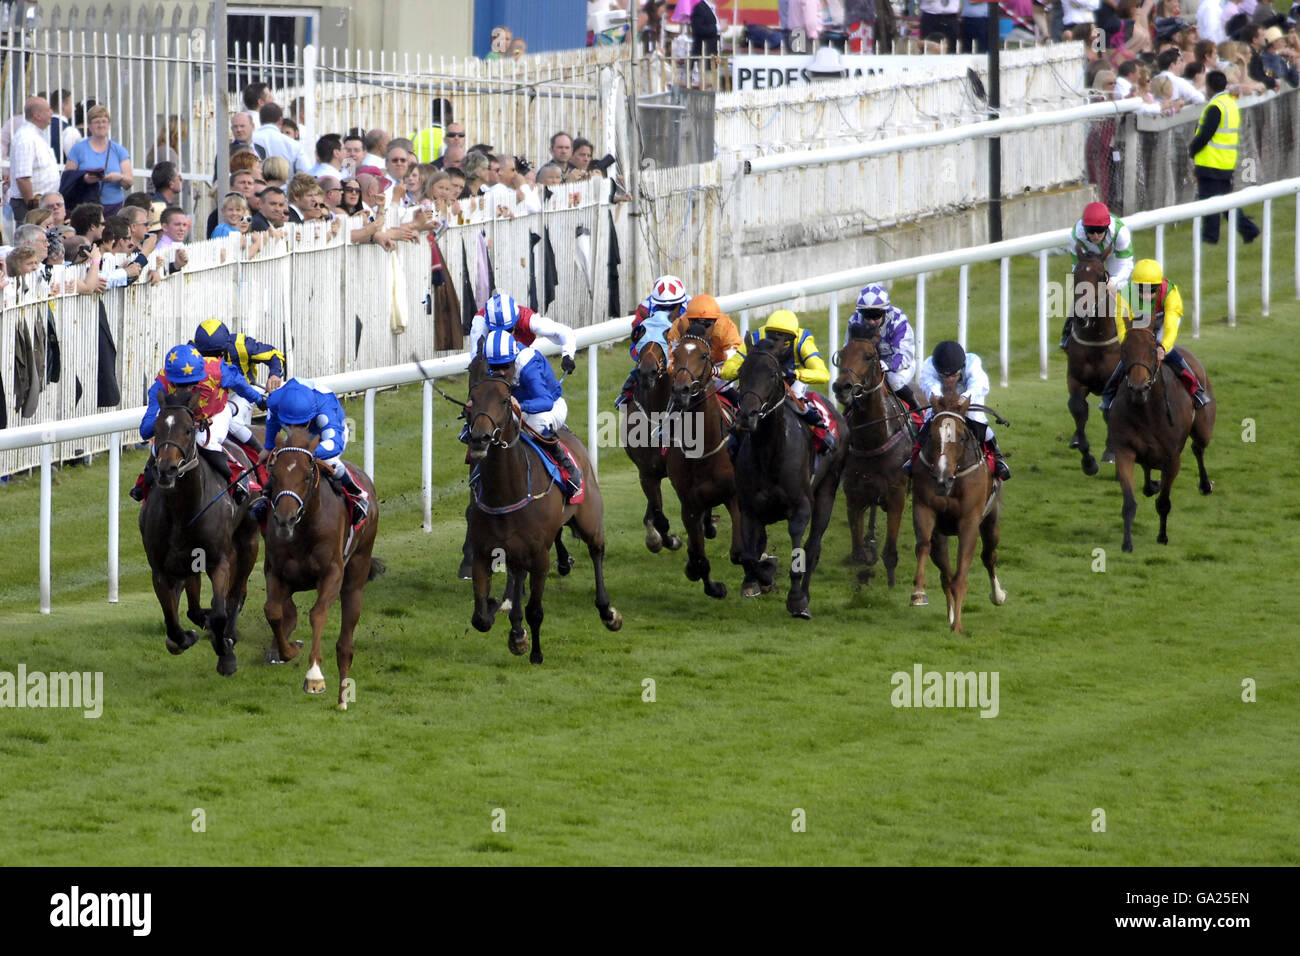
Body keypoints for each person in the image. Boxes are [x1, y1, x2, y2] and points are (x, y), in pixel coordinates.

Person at [132, 343, 266, 504]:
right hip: (181, 421)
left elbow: (241, 385)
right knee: (158, 448)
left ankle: (237, 479)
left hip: (216, 413)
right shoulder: (160, 384)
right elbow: (145, 430)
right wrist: (165, 417)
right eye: (180, 385)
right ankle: (144, 481)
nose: (187, 390)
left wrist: (259, 399)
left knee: (204, 441)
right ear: (170, 378)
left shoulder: (216, 370)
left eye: (192, 384)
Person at [1099, 258, 1209, 415]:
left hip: (1162, 324)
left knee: (1168, 353)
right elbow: (1122, 325)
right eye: (1141, 289)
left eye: (1151, 289)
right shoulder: (1125, 294)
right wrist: (1129, 346)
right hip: (1139, 326)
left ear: (1159, 286)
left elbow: (1171, 325)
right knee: (1131, 357)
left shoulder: (1170, 293)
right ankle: (1109, 395)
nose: (1146, 294)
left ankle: (1195, 390)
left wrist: (1163, 346)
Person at [480, 329, 583, 494]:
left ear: (514, 360)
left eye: (505, 367)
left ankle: (568, 468)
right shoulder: (489, 363)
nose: (501, 373)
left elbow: (546, 401)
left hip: (550, 407)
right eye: (495, 368)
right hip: (515, 406)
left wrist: (521, 406)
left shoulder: (527, 365)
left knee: (535, 422)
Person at [719, 309, 836, 454]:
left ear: (793, 339)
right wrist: (748, 369)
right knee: (746, 403)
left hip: (792, 379)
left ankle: (821, 431)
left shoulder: (802, 341)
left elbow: (823, 374)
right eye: (771, 339)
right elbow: (727, 370)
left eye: (784, 341)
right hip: (763, 379)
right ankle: (735, 437)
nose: (777, 346)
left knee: (798, 401)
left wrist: (797, 374)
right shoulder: (756, 338)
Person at [257, 378, 370, 523]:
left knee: (329, 461)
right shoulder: (276, 401)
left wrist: (306, 455)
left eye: (300, 424)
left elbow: (334, 444)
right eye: (289, 424)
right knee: (282, 464)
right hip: (299, 439)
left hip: (325, 435)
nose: (294, 428)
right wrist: (267, 447)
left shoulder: (326, 408)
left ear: (309, 418)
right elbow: (272, 420)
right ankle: (266, 497)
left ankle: (357, 496)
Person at [910, 340, 1011, 480]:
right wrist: (941, 400)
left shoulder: (973, 362)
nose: (950, 379)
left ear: (961, 367)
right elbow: (928, 384)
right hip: (942, 404)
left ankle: (998, 459)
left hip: (968, 402)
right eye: (945, 377)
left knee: (980, 424)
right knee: (926, 429)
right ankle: (913, 460)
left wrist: (964, 398)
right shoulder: (929, 365)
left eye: (953, 375)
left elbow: (979, 383)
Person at [192, 318, 284, 462]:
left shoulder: (242, 344)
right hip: (211, 395)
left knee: (232, 421)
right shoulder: (191, 348)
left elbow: (274, 354)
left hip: (243, 393)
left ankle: (263, 454)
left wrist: (275, 373)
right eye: (204, 355)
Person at [1188, 69, 1260, 245]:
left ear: (1209, 87)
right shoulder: (1230, 103)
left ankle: (1210, 237)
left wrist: (1192, 150)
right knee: (1226, 203)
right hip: (1225, 162)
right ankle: (1248, 230)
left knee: (1210, 202)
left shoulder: (1216, 106)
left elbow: (1205, 134)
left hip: (1210, 161)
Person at [1059, 201, 1136, 349]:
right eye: (1091, 230)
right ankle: (1068, 332)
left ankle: (1133, 331)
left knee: (1120, 289)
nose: (1095, 235)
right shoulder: (1076, 235)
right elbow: (1077, 268)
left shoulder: (1121, 233)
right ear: (1084, 228)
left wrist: (1112, 282)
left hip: (1115, 256)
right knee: (1083, 290)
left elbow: (1126, 266)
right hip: (1088, 258)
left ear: (1107, 228)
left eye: (1100, 230)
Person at [844, 283, 919, 412]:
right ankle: (845, 420)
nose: (871, 321)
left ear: (885, 312)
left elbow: (904, 355)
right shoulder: (855, 321)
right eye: (867, 316)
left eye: (875, 315)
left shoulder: (898, 321)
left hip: (899, 366)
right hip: (869, 366)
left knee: (894, 381)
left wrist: (887, 364)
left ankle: (918, 411)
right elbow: (848, 349)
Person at [467, 292, 578, 371]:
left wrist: (567, 355)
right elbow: (475, 358)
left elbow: (565, 331)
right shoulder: (480, 323)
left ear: (515, 321)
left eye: (507, 330)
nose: (503, 336)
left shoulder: (529, 320)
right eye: (496, 331)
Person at [664, 292, 743, 395]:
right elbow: (671, 364)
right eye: (694, 322)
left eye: (706, 324)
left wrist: (713, 371)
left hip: (718, 374)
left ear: (715, 321)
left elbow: (735, 363)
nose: (700, 328)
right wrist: (690, 373)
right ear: (688, 320)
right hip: (688, 376)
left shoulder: (726, 327)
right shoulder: (679, 326)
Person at [8, 96, 60, 225]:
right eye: (48, 110)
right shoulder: (26, 138)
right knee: (31, 242)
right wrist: (34, 209)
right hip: (29, 207)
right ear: (37, 115)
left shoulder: (36, 135)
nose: (52, 113)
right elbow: (22, 178)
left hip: (40, 205)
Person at [412, 98, 453, 164]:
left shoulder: (414, 136)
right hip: (436, 173)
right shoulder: (450, 137)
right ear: (447, 114)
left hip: (416, 173)